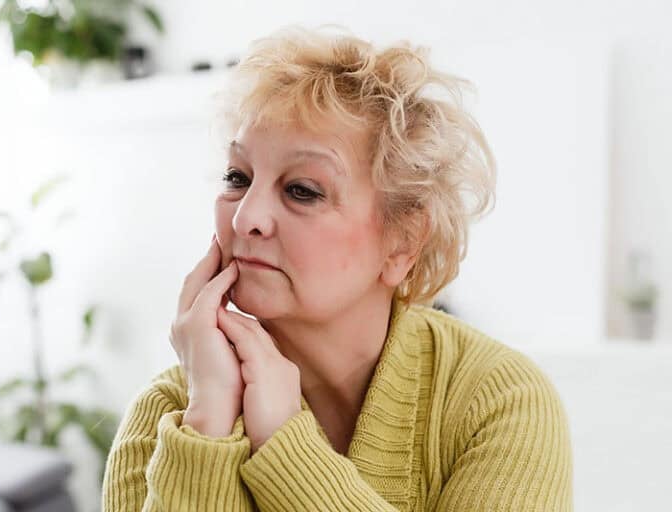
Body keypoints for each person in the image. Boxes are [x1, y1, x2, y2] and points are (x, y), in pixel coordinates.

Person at [102, 24, 573, 512]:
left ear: (403, 242)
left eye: (302, 190)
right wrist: (208, 425)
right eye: (237, 177)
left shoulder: (500, 400)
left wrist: (287, 448)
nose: (246, 217)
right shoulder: (168, 414)